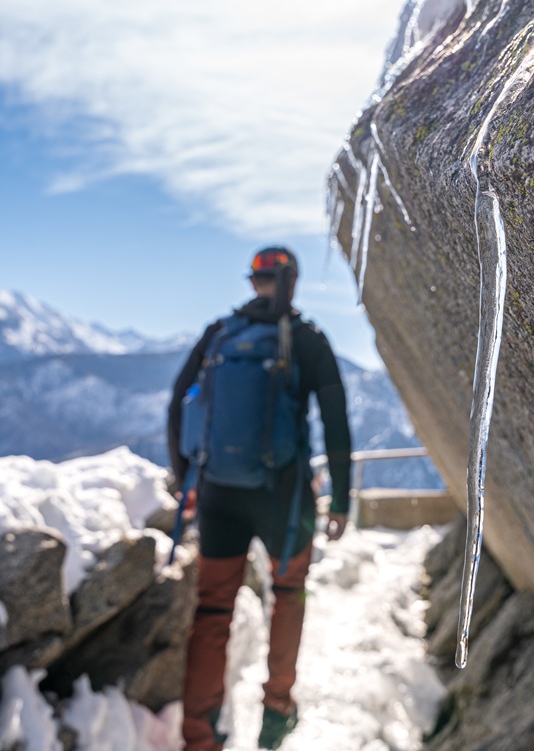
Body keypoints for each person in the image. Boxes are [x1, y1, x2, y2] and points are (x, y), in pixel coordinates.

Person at [167, 246, 351, 751]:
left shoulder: (220, 334)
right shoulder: (308, 339)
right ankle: (276, 713)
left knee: (212, 610)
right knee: (288, 595)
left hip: (218, 492)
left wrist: (186, 482)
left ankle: (199, 736)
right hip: (285, 497)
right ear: (292, 282)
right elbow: (335, 419)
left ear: (254, 282)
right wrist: (341, 499)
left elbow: (178, 402)